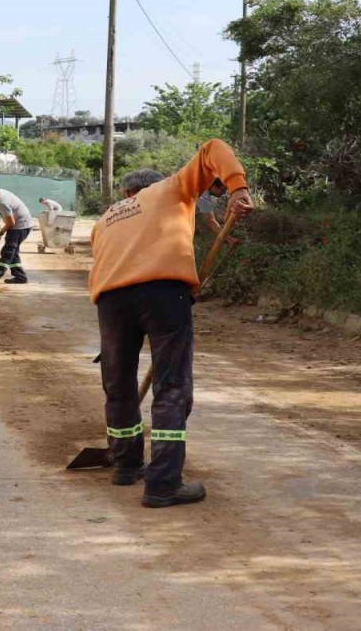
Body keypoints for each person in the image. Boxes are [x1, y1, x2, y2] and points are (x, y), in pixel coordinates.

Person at [87, 139, 255, 508]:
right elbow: (213, 147)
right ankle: (163, 483)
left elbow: (102, 262)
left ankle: (126, 465)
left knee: (119, 387)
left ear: (127, 191)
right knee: (171, 386)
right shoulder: (169, 189)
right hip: (163, 293)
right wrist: (238, 189)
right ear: (152, 184)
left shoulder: (106, 218)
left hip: (111, 300)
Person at [0, 184, 33, 284]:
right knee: (13, 251)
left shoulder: (2, 203)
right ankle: (20, 277)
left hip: (20, 226)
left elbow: (11, 223)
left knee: (8, 250)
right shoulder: (1, 192)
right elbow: (8, 215)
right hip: (23, 223)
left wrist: (0, 233)